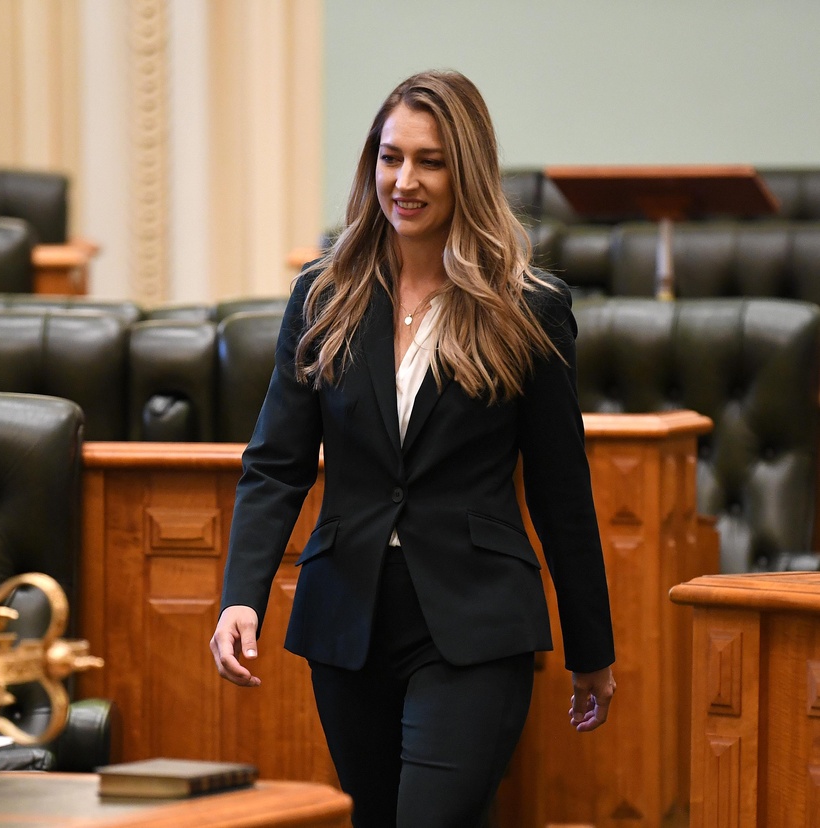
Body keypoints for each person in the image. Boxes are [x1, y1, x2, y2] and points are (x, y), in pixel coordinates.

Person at [210, 69, 615, 828]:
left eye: (430, 161)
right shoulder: (323, 295)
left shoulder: (528, 308)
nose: (405, 180)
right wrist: (241, 594)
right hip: (349, 618)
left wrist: (590, 646)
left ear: (467, 171)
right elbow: (277, 462)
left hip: (476, 618)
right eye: (391, 157)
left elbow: (562, 490)